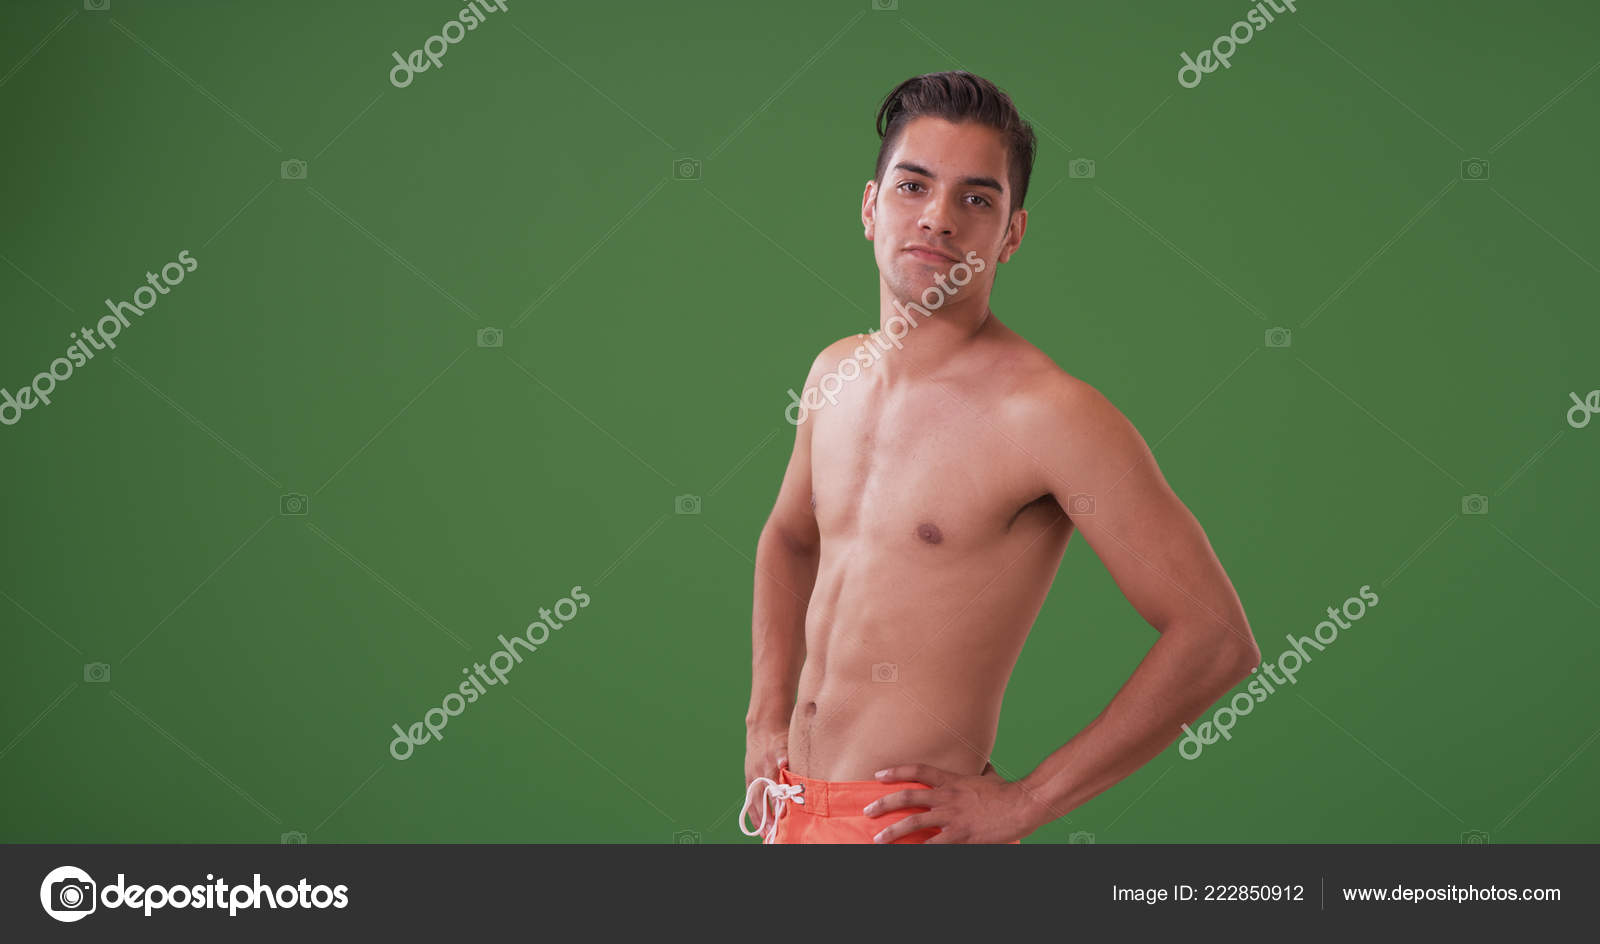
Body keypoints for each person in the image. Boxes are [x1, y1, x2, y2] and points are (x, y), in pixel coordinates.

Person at [739, 71, 1261, 844]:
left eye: (976, 199)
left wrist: (1028, 801)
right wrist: (764, 717)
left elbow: (1217, 637)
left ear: (1011, 234)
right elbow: (790, 537)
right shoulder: (832, 374)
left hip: (907, 835)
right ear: (869, 207)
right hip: (788, 815)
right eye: (913, 185)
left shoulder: (1049, 415)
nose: (938, 219)